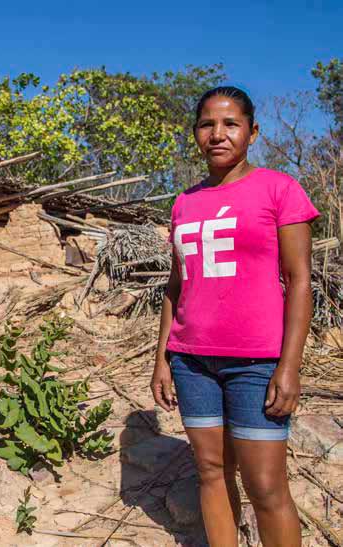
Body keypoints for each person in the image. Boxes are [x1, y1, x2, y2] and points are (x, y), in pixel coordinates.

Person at [151, 86, 319, 547]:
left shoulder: (279, 189)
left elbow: (300, 280)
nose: (217, 134)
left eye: (230, 124)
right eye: (207, 125)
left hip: (257, 362)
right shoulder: (184, 202)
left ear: (252, 132)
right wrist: (164, 357)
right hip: (192, 362)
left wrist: (289, 366)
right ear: (195, 134)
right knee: (211, 473)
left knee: (266, 487)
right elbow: (176, 285)